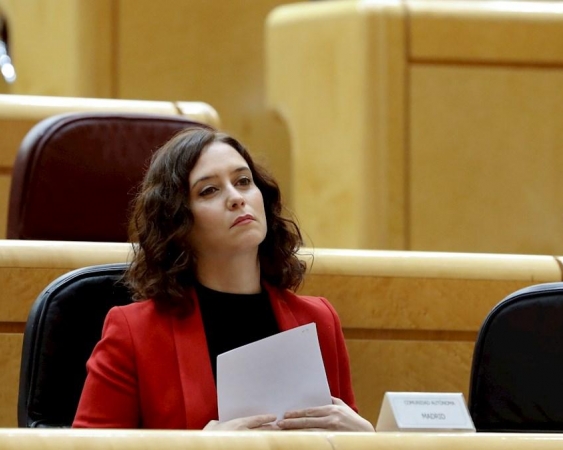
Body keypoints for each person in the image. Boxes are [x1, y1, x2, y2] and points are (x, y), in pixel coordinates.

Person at [73, 128, 374, 431]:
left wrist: (367, 442)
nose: (236, 198)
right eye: (209, 190)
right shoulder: (135, 333)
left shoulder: (318, 320)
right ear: (178, 220)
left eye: (243, 181)